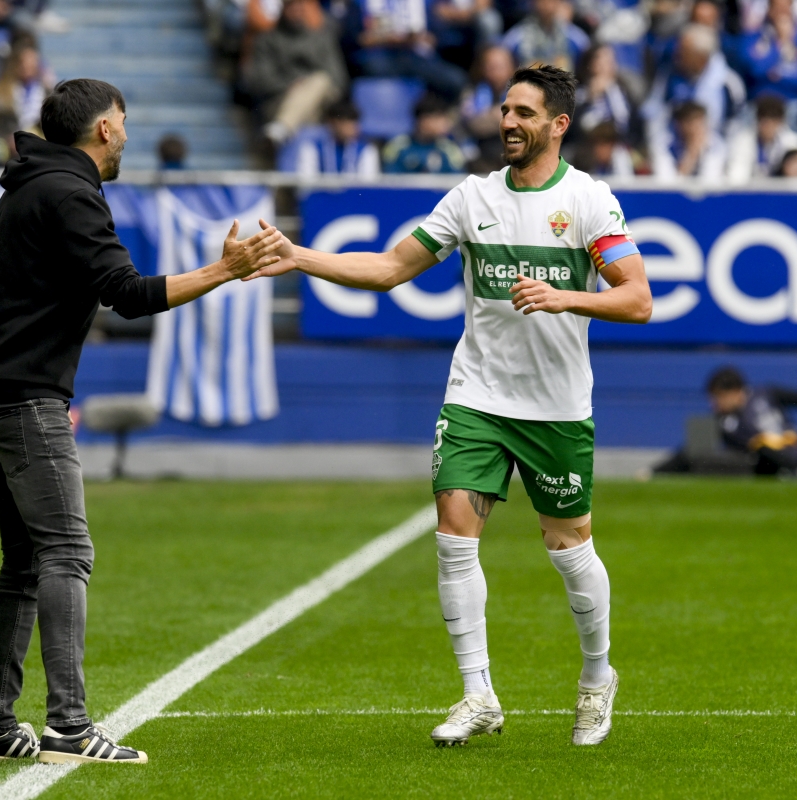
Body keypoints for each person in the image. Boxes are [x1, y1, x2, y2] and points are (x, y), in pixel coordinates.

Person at [246, 64, 651, 747]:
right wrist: (298, 256)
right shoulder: (470, 198)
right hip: (477, 395)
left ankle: (595, 677)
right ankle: (478, 694)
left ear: (558, 124)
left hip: (555, 407)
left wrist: (566, 296)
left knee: (568, 547)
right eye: (504, 109)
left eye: (524, 112)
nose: (508, 122)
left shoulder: (588, 202)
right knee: (454, 530)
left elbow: (637, 299)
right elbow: (389, 268)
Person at [0, 78, 286, 765]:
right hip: (24, 397)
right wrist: (225, 269)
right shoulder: (70, 191)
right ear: (103, 128)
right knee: (67, 553)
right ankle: (70, 726)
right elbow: (128, 295)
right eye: (124, 123)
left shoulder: (29, 184)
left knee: (25, 561)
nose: (129, 136)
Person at [660, 366, 797, 478]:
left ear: (735, 392)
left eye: (718, 398)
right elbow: (689, 452)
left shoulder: (767, 393)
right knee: (760, 443)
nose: (714, 405)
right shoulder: (721, 420)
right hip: (768, 463)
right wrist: (654, 471)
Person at [243, 0, 348, 147]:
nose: (297, 13)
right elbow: (260, 79)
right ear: (283, 10)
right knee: (309, 114)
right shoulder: (267, 40)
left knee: (320, 81)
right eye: (292, 9)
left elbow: (338, 77)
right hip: (281, 99)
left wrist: (306, 85)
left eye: (300, 9)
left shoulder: (321, 39)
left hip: (324, 98)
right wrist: (290, 85)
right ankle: (293, 146)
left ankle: (282, 127)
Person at [643, 23, 746, 160]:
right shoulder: (669, 76)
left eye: (683, 51)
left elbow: (737, 125)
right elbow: (654, 114)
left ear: (701, 58)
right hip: (673, 149)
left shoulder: (728, 83)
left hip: (715, 152)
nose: (677, 55)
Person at [352, 0, 468, 101]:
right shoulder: (361, 3)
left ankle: (431, 115)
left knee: (456, 80)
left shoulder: (425, 3)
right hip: (379, 56)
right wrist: (388, 39)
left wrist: (418, 38)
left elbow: (435, 37)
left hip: (417, 57)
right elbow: (356, 39)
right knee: (374, 68)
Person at [736, 0, 797, 100]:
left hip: (796, 101)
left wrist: (778, 75)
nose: (782, 11)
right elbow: (755, 70)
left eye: (786, 6)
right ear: (769, 10)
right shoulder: (753, 38)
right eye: (777, 7)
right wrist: (779, 42)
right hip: (761, 100)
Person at [726, 92, 797, 180]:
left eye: (774, 123)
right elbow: (736, 177)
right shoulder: (743, 142)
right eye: (765, 123)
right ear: (758, 121)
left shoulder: (794, 144)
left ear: (781, 122)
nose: (769, 128)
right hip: (752, 190)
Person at [460, 44, 514, 170]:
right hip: (482, 156)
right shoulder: (473, 91)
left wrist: (492, 117)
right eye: (490, 66)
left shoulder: (523, 92)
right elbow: (472, 124)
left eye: (500, 66)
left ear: (511, 67)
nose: (495, 71)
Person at [295, 98, 380, 177]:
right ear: (332, 122)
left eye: (354, 123)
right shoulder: (312, 148)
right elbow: (306, 184)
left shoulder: (366, 150)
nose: (353, 128)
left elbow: (367, 185)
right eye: (347, 122)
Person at [382, 93, 467, 173]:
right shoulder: (398, 147)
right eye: (438, 118)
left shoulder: (450, 150)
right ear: (423, 120)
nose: (444, 123)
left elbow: (458, 182)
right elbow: (390, 181)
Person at [501, 0, 590, 73]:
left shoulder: (576, 37)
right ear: (533, 3)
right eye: (542, 1)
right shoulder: (516, 38)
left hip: (565, 90)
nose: (547, 5)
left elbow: (587, 63)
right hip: (529, 88)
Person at [651, 100, 728, 179]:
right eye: (691, 122)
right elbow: (667, 183)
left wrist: (698, 150)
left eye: (700, 122)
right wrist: (691, 154)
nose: (697, 127)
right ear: (679, 125)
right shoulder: (665, 144)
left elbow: (710, 181)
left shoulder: (716, 144)